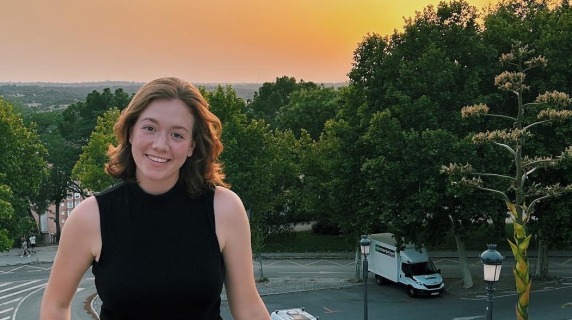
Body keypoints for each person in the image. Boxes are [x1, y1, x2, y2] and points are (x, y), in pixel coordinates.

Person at [40, 77, 270, 320]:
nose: (161, 145)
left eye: (177, 135)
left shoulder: (224, 209)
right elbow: (55, 304)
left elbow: (248, 307)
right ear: (130, 132)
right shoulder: (91, 217)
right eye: (149, 128)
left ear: (192, 146)